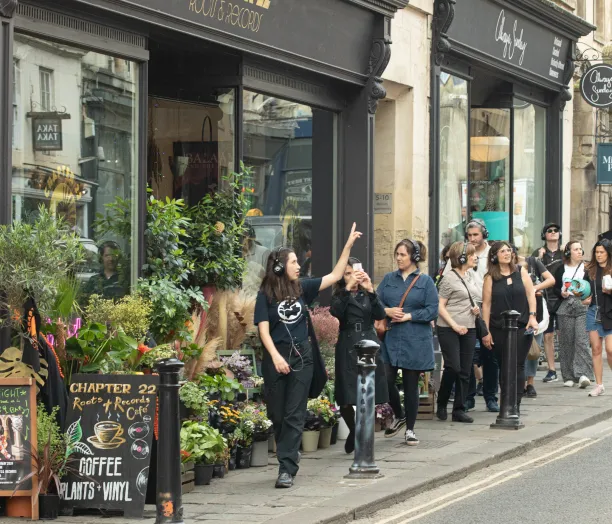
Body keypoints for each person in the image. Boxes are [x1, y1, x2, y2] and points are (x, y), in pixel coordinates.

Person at [254, 223, 361, 489]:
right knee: (277, 415)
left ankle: (286, 468)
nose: (298, 265)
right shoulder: (264, 296)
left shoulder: (303, 287)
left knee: (293, 414)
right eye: (293, 262)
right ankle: (288, 452)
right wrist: (276, 358)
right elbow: (263, 331)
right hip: (276, 358)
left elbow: (336, 275)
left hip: (302, 358)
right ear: (279, 266)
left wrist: (347, 246)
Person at [377, 239, 438, 445]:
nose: (398, 258)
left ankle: (410, 429)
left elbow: (432, 309)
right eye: (397, 254)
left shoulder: (426, 281)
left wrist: (409, 316)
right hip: (392, 338)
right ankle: (400, 414)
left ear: (414, 257)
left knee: (412, 386)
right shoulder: (388, 279)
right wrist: (387, 311)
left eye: (402, 254)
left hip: (416, 339)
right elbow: (376, 301)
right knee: (384, 379)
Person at [330, 257, 388, 454]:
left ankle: (362, 436)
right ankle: (354, 429)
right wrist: (348, 288)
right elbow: (336, 311)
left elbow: (380, 314)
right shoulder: (340, 295)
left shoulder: (367, 294)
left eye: (353, 272)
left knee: (368, 393)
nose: (351, 277)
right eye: (347, 274)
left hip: (368, 343)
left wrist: (371, 290)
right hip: (347, 343)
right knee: (345, 396)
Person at [445, 219, 499, 413]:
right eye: (469, 236)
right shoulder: (461, 253)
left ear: (484, 233)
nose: (473, 239)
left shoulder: (492, 253)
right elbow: (447, 278)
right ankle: (467, 398)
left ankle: (491, 396)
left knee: (490, 354)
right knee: (467, 358)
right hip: (464, 310)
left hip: (487, 309)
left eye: (476, 235)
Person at [482, 242, 539, 414]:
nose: (507, 253)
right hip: (498, 328)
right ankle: (506, 403)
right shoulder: (490, 277)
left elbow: (531, 294)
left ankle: (516, 404)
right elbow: (486, 305)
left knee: (518, 365)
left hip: (521, 326)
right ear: (494, 256)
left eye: (509, 250)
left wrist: (532, 316)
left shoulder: (521, 271)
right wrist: (486, 331)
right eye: (502, 251)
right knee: (504, 365)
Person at [436, 242, 480, 423]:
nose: (475, 257)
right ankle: (441, 402)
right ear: (461, 258)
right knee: (453, 367)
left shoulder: (471, 276)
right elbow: (440, 306)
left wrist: (476, 308)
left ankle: (459, 409)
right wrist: (454, 325)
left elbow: (475, 297)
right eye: (472, 255)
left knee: (465, 369)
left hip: (469, 327)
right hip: (448, 328)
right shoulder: (448, 279)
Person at [552, 241, 594, 388]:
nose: (579, 252)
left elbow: (593, 287)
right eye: (575, 249)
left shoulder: (587, 268)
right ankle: (568, 375)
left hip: (582, 305)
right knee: (566, 341)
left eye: (580, 249)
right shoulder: (560, 269)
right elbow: (555, 288)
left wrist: (590, 299)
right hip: (566, 305)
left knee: (582, 340)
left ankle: (584, 374)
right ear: (568, 252)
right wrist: (561, 293)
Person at [519, 254, 555, 398]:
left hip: (537, 310)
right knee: (519, 350)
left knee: (534, 349)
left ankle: (530, 383)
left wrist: (533, 287)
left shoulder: (533, 261)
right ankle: (520, 383)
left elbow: (551, 279)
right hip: (519, 310)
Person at [533, 222, 564, 383]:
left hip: (562, 297)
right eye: (549, 231)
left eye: (556, 230)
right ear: (544, 235)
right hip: (545, 298)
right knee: (548, 335)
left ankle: (568, 369)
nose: (553, 233)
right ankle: (552, 369)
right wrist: (538, 257)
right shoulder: (539, 254)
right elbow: (532, 272)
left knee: (564, 335)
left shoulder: (564, 253)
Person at [583, 239, 612, 397]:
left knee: (610, 349)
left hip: (610, 312)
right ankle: (599, 384)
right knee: (596, 349)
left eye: (602, 252)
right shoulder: (590, 270)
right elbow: (584, 290)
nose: (599, 255)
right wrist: (583, 298)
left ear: (608, 253)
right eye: (597, 252)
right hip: (593, 311)